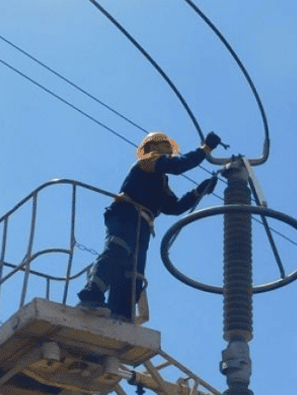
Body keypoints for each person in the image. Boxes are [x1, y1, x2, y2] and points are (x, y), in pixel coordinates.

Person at [76, 130, 222, 321]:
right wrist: (205, 150)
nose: (166, 153)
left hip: (143, 225)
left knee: (133, 273)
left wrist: (198, 192)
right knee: (118, 250)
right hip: (126, 214)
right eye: (163, 148)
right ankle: (91, 294)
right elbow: (178, 166)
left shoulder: (160, 181)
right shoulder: (146, 164)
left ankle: (121, 314)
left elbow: (174, 207)